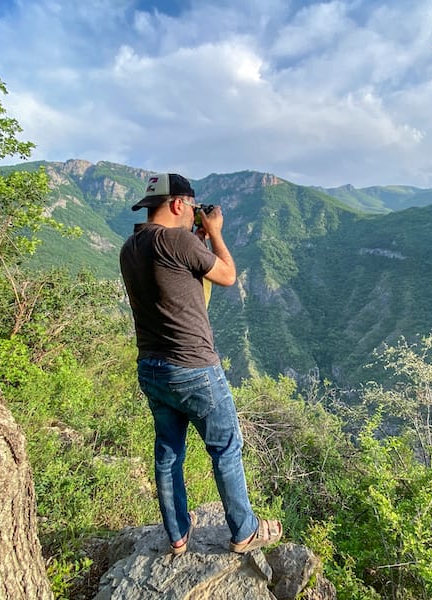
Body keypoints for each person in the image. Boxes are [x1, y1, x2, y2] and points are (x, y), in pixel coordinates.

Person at [119, 172, 282, 555]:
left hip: (152, 367)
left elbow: (179, 279)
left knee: (168, 451)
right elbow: (227, 275)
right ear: (178, 204)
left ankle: (177, 535)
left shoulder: (132, 245)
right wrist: (216, 232)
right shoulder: (176, 240)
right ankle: (245, 531)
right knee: (226, 447)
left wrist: (199, 239)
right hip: (194, 367)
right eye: (192, 208)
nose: (195, 214)